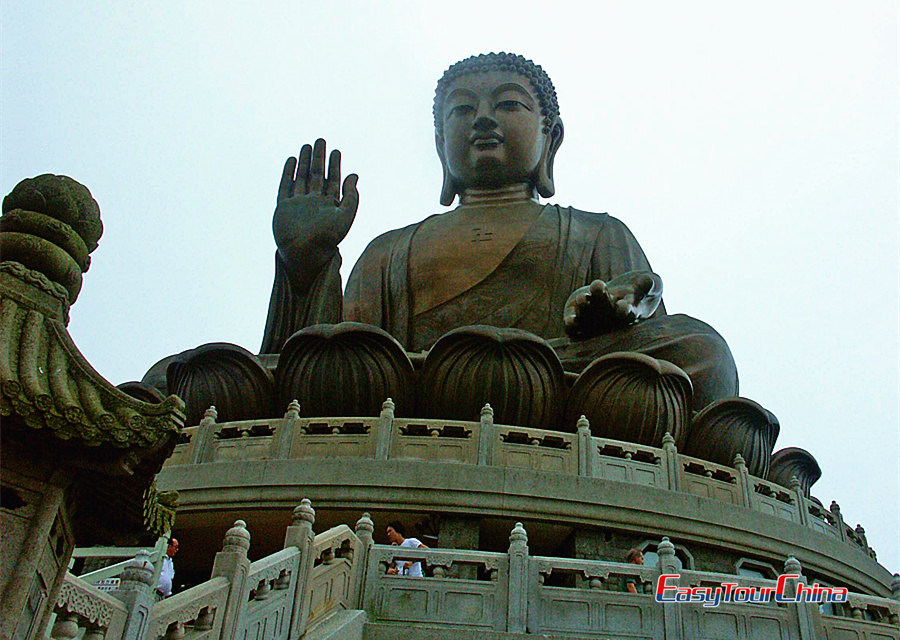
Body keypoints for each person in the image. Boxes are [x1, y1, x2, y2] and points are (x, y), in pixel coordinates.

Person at [260, 52, 738, 411]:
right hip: (418, 385)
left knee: (704, 352)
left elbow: (650, 332)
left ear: (551, 138)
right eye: (462, 110)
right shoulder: (390, 250)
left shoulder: (596, 233)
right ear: (440, 143)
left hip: (558, 377)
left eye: (508, 103)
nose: (483, 117)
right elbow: (326, 354)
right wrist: (308, 262)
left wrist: (614, 311)